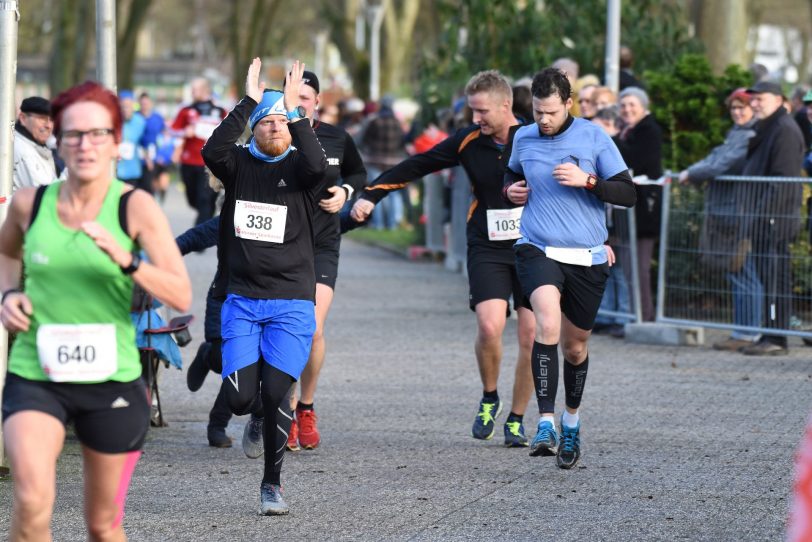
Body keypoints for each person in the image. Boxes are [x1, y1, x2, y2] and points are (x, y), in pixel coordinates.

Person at [0, 81, 191, 541]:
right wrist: (8, 296)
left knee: (103, 526)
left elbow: (181, 294)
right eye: (73, 134)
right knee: (30, 501)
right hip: (36, 373)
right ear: (57, 141)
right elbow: (5, 255)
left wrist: (128, 261)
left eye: (97, 134)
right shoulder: (32, 203)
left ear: (116, 143)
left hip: (112, 379)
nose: (85, 144)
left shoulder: (135, 207)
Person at [352, 70, 537, 447]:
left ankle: (517, 418)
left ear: (505, 105)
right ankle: (490, 397)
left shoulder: (535, 138)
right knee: (489, 327)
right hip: (487, 243)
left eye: (482, 111)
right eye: (472, 111)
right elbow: (418, 164)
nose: (475, 119)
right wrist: (373, 193)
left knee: (532, 335)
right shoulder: (468, 141)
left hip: (533, 244)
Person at [201, 58, 326, 515]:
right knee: (239, 399)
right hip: (244, 301)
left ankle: (271, 485)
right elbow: (211, 151)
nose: (275, 128)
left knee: (277, 394)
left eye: (281, 122)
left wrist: (294, 110)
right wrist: (251, 99)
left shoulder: (301, 170)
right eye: (266, 122)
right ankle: (252, 413)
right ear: (253, 130)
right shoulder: (236, 166)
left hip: (292, 300)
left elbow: (317, 163)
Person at [504, 67, 635, 468]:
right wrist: (509, 191)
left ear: (568, 104)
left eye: (550, 113)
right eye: (537, 112)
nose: (542, 121)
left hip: (587, 256)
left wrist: (589, 181)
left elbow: (627, 193)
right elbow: (510, 174)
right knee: (546, 324)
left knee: (575, 346)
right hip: (537, 247)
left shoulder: (594, 136)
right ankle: (544, 423)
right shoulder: (523, 136)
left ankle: (571, 421)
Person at [284, 70, 367, 450]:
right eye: (293, 95)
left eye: (306, 97)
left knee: (312, 329)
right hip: (282, 245)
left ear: (317, 101)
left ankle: (306, 406)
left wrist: (345, 192)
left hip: (322, 243)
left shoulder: (337, 136)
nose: (299, 102)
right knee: (286, 329)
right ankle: (282, 410)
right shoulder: (273, 134)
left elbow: (358, 172)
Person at [678, 88, 760, 352]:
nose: (737, 112)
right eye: (733, 108)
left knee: (744, 272)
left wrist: (692, 172)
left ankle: (749, 331)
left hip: (738, 213)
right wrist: (694, 170)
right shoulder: (736, 133)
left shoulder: (750, 134)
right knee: (736, 272)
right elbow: (716, 158)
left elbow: (721, 163)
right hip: (727, 211)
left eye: (742, 107)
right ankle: (741, 330)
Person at [738, 81, 805, 356]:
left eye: (760, 98)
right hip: (765, 217)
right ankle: (770, 332)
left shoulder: (784, 130)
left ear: (778, 99)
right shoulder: (767, 127)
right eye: (751, 99)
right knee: (769, 277)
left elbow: (782, 181)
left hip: (774, 218)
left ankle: (776, 338)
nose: (754, 103)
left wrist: (763, 215)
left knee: (776, 278)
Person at [615, 86, 663, 322]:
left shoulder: (648, 131)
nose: (627, 109)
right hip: (631, 209)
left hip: (645, 210)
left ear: (643, 106)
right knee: (629, 267)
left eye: (632, 104)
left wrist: (613, 138)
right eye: (623, 105)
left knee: (639, 268)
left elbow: (635, 159)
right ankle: (634, 314)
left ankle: (644, 315)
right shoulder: (628, 131)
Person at [171, 77, 227, 224]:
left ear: (204, 90)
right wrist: (184, 132)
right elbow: (172, 131)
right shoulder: (186, 110)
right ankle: (206, 212)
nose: (192, 92)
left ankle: (200, 230)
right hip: (188, 161)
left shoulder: (220, 111)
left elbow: (229, 133)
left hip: (209, 162)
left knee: (205, 198)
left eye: (194, 89)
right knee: (193, 199)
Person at [360, 96, 407, 230]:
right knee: (394, 193)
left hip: (374, 161)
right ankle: (393, 224)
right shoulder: (398, 122)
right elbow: (403, 142)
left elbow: (364, 139)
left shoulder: (374, 121)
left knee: (377, 192)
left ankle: (379, 224)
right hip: (395, 162)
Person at [12, 96, 56, 191]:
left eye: (51, 120)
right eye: (42, 118)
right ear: (23, 118)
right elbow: (44, 196)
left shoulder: (34, 145)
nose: (48, 125)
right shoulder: (23, 151)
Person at [117, 90, 149, 192]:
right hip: (116, 170)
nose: (126, 109)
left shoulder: (140, 121)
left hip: (133, 170)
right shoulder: (114, 121)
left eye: (129, 106)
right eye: (123, 106)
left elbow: (145, 142)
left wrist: (148, 159)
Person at [136, 92, 166, 195]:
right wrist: (146, 157)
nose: (144, 106)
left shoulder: (157, 118)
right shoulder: (136, 117)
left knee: (153, 183)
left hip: (155, 155)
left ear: (150, 104)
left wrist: (163, 154)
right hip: (139, 155)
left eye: (146, 103)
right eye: (142, 104)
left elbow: (163, 134)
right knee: (142, 185)